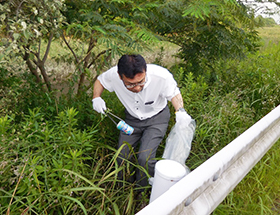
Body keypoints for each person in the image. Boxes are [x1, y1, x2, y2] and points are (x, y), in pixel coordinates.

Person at [92, 54, 191, 192]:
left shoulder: (161, 76)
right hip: (131, 119)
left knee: (145, 158)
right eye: (131, 84)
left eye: (141, 82)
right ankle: (123, 189)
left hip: (156, 119)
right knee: (122, 156)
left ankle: (142, 191)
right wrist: (96, 98)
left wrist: (180, 111)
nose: (137, 87)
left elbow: (174, 94)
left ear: (145, 71)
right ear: (120, 77)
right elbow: (100, 81)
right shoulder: (113, 75)